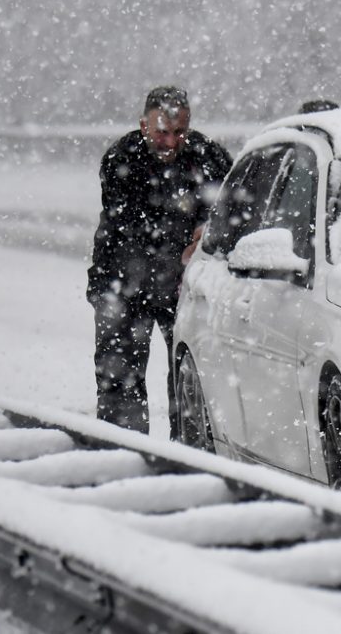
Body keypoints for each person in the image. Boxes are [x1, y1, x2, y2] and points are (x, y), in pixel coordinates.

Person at [87, 86, 232, 436]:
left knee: (191, 378)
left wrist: (205, 230)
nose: (170, 142)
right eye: (161, 132)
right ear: (143, 125)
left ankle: (189, 452)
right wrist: (183, 239)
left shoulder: (209, 157)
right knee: (119, 378)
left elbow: (229, 208)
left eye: (178, 132)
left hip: (184, 284)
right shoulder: (121, 159)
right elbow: (131, 226)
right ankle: (121, 449)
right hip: (122, 280)